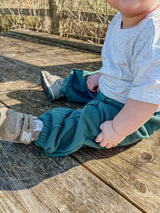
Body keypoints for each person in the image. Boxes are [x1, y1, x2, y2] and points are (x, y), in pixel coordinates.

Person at [0, 0, 160, 157]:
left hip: (132, 113)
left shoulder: (154, 36)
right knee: (88, 79)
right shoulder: (119, 18)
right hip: (113, 90)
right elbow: (118, 62)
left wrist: (117, 129)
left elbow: (147, 100)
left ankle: (34, 128)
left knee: (88, 122)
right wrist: (102, 74)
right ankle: (65, 86)